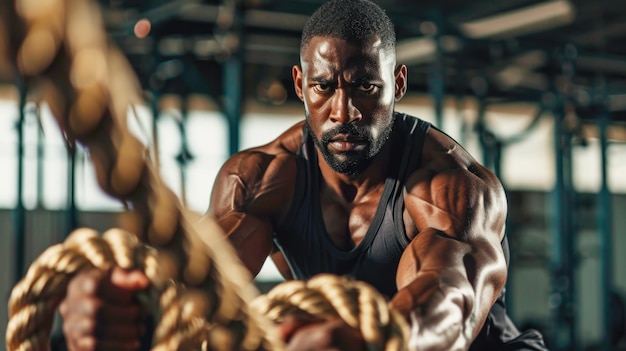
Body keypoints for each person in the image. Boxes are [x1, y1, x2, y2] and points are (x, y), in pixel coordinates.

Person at [59, 0, 549, 350]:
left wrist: (376, 341)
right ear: (300, 84)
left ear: (397, 84)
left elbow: (452, 303)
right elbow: (199, 283)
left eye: (365, 87)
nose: (344, 111)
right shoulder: (259, 182)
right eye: (323, 87)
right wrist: (129, 311)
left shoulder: (450, 186)